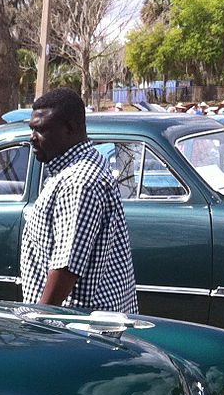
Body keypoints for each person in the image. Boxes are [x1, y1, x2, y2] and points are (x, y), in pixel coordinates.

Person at [20, 87, 138, 314]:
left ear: (70, 129)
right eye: (31, 129)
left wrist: (39, 321)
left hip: (80, 328)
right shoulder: (79, 167)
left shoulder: (79, 181)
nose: (32, 138)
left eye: (41, 130)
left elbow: (66, 267)